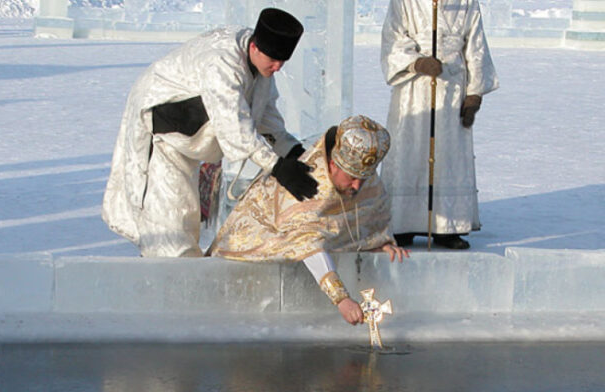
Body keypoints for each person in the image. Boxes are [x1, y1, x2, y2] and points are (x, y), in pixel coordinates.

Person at [102, 8, 318, 257]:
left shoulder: (263, 68)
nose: (278, 67)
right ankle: (163, 286)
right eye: (274, 59)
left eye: (283, 61)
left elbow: (266, 121)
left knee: (187, 220)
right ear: (255, 48)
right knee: (170, 231)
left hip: (190, 139)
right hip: (162, 133)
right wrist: (277, 167)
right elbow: (234, 126)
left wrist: (294, 153)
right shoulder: (222, 64)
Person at [208, 115, 409, 325]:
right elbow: (307, 243)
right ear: (333, 165)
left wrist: (377, 242)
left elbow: (374, 210)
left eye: (363, 178)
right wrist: (341, 299)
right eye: (352, 177)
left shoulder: (361, 175)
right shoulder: (306, 184)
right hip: (255, 252)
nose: (358, 186)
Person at [380, 0, 499, 249]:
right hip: (414, 89)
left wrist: (474, 93)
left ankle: (447, 227)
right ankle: (403, 223)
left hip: (452, 86)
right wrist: (416, 62)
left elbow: (475, 45)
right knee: (409, 152)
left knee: (449, 157)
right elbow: (393, 36)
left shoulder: (466, 2)